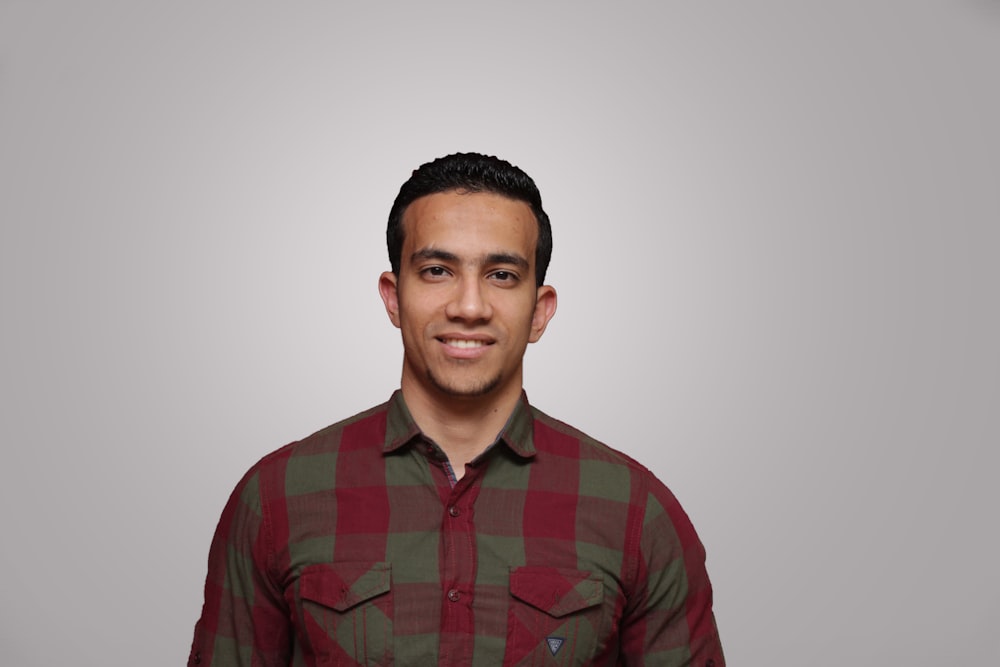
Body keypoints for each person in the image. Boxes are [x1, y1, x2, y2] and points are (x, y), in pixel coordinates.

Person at [189, 152, 725, 666]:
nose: (469, 307)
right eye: (438, 270)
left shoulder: (636, 513)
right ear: (393, 297)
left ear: (539, 312)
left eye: (502, 275)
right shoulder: (276, 499)